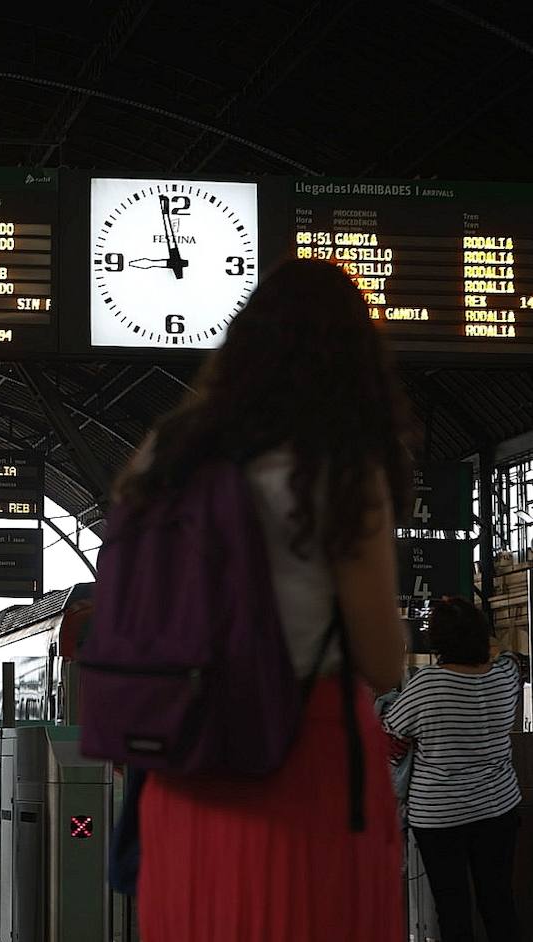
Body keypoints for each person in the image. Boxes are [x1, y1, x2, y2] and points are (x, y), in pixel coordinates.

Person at [116, 259, 411, 940]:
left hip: (184, 765)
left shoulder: (164, 454)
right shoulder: (336, 467)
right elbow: (383, 660)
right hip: (304, 762)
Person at [383, 596, 523, 942]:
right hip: (499, 807)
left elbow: (389, 739)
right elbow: (508, 654)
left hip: (440, 816)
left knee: (453, 906)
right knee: (499, 900)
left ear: (438, 641)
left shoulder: (427, 685)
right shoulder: (505, 676)